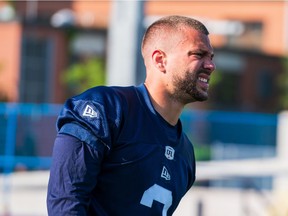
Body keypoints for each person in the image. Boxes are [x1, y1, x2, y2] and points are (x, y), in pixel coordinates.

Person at [47, 15, 215, 216]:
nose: (210, 65)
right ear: (160, 60)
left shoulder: (186, 152)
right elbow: (67, 203)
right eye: (198, 54)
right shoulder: (106, 108)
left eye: (211, 57)